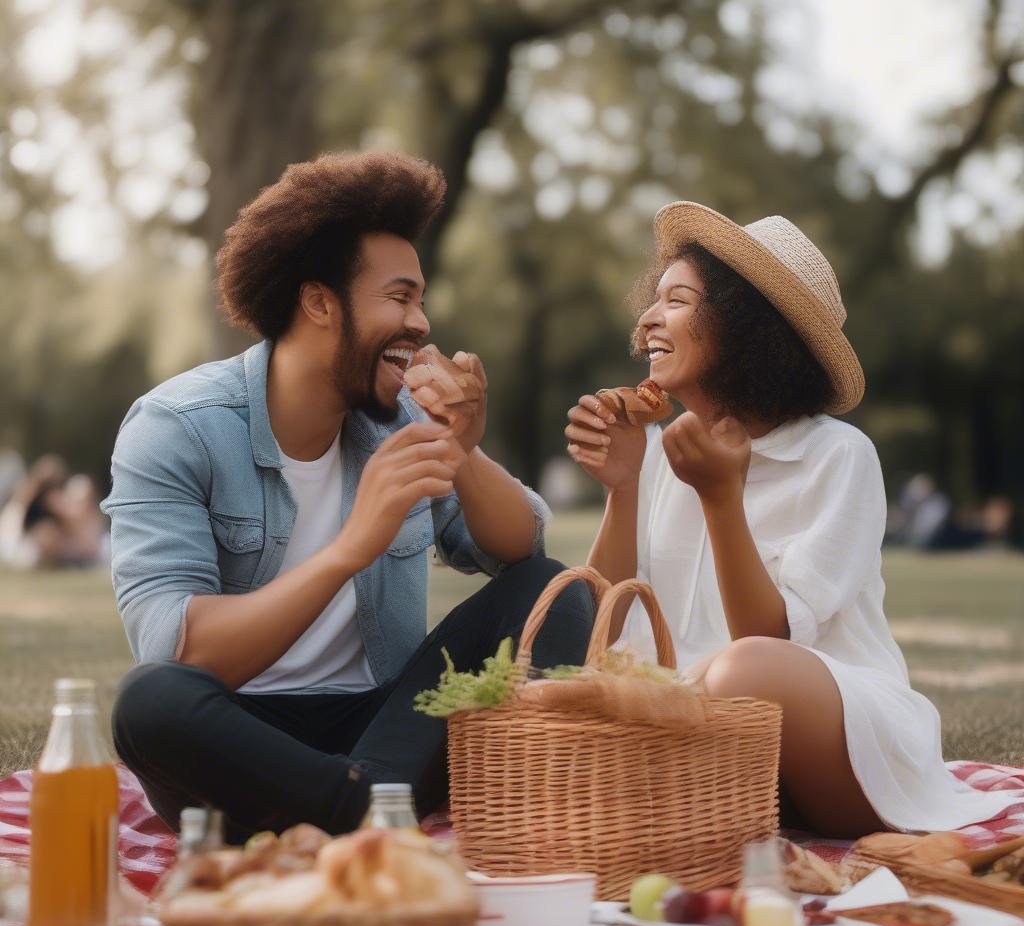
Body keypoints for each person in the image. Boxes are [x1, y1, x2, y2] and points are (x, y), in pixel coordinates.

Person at [102, 152, 593, 842]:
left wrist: (463, 448)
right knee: (147, 702)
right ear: (320, 302)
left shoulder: (403, 420)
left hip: (388, 729)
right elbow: (181, 648)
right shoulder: (176, 428)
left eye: (420, 299)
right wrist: (350, 548)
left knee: (553, 588)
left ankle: (351, 810)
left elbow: (518, 550)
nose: (421, 323)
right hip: (242, 744)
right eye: (400, 297)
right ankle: (367, 812)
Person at [565, 201, 1021, 838]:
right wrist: (621, 488)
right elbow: (600, 631)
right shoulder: (666, 455)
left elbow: (769, 641)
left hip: (837, 748)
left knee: (742, 669)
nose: (647, 319)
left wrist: (723, 499)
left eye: (679, 300)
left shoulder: (837, 457)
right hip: (712, 749)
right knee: (573, 684)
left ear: (748, 327)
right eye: (655, 299)